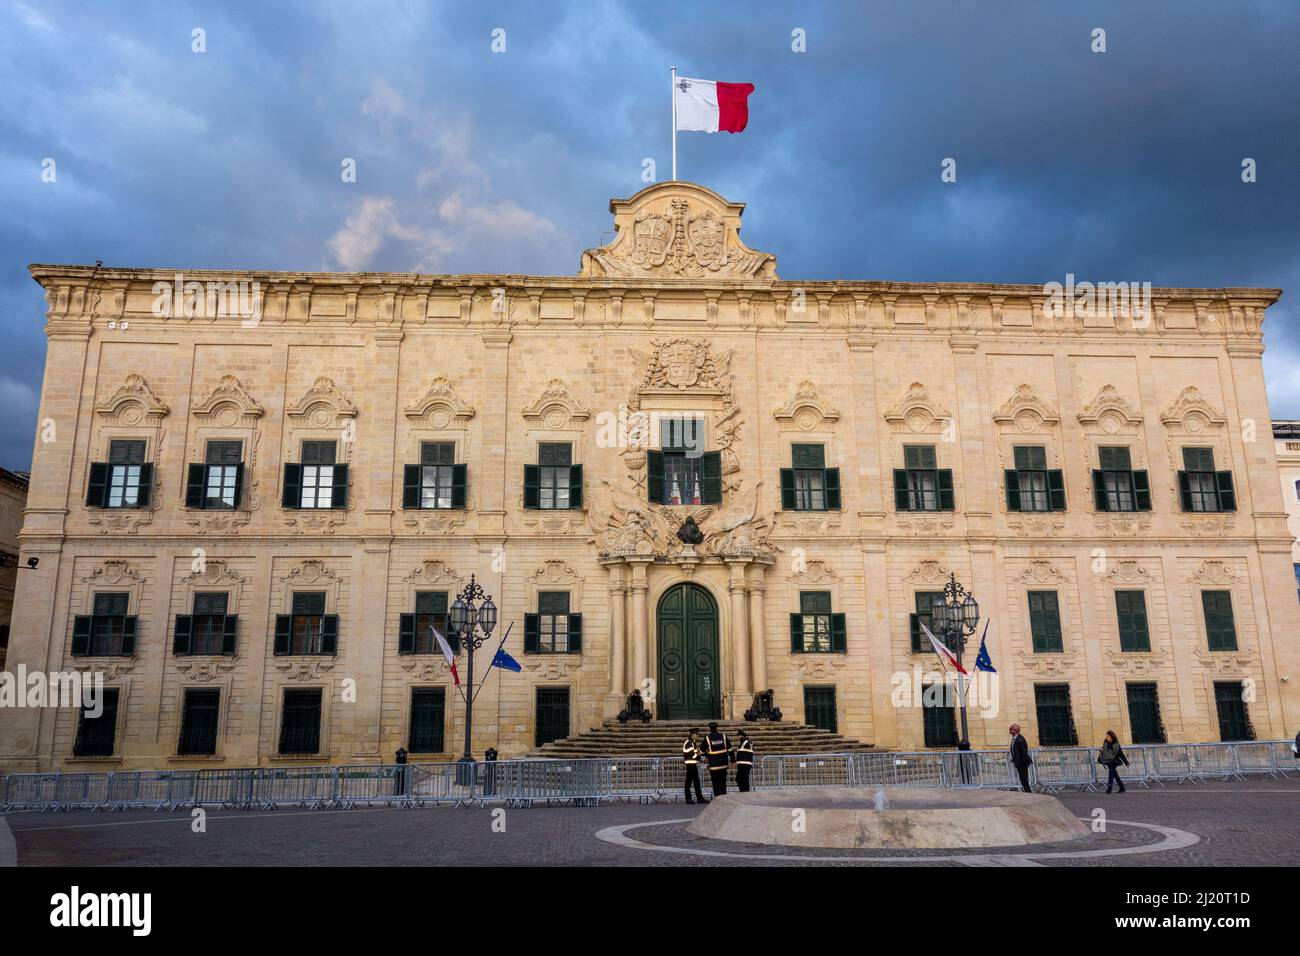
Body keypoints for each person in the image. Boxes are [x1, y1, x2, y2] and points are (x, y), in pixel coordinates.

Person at [703, 721, 730, 797]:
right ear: (716, 728)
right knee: (723, 783)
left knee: (715, 783)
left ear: (710, 729)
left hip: (714, 765)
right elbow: (730, 749)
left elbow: (701, 751)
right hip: (723, 764)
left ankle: (717, 798)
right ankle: (724, 798)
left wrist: (707, 754)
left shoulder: (707, 738)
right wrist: (733, 760)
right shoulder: (723, 737)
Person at [682, 729, 707, 804]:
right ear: (692, 734)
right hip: (690, 765)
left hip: (693, 765)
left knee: (695, 781)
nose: (697, 735)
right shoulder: (689, 743)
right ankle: (689, 798)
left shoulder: (692, 742)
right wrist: (700, 758)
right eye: (696, 734)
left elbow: (696, 753)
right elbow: (692, 754)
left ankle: (698, 798)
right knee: (689, 782)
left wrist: (701, 755)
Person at [1009, 723, 1033, 793]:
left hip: (1023, 763)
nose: (1009, 730)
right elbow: (1015, 751)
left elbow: (1024, 753)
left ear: (1015, 730)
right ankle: (1028, 792)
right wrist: (1014, 759)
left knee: (1024, 780)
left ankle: (1029, 793)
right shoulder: (1014, 739)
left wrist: (1019, 763)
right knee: (1023, 780)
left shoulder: (1020, 739)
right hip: (1019, 763)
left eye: (1011, 729)